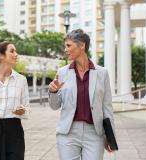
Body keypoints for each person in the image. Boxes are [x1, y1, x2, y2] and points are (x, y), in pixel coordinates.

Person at [48, 29, 115, 160]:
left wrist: (110, 136)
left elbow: (107, 107)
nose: (65, 49)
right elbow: (55, 106)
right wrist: (53, 91)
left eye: (68, 45)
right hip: (68, 132)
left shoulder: (102, 73)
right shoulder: (62, 72)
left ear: (82, 45)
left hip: (95, 133)